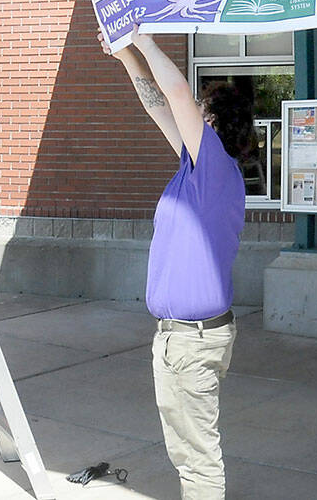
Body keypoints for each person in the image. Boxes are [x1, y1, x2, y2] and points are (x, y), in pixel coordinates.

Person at [101, 30, 249, 500]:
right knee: (187, 451)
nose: (190, 114)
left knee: (198, 459)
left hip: (191, 342)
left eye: (201, 111)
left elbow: (176, 93)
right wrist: (125, 54)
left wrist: (140, 38)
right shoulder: (194, 166)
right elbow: (157, 104)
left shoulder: (215, 169)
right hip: (179, 339)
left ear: (212, 121)